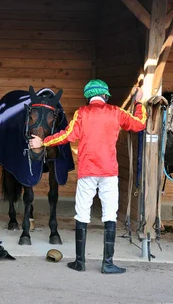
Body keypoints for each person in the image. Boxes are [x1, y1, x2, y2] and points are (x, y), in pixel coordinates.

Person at [29, 79, 146, 274]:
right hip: (109, 171)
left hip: (87, 171)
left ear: (88, 96)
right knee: (110, 214)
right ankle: (107, 263)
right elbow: (139, 124)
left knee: (82, 213)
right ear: (105, 95)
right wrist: (138, 102)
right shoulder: (116, 112)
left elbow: (66, 135)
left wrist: (43, 142)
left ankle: (80, 262)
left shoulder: (81, 113)